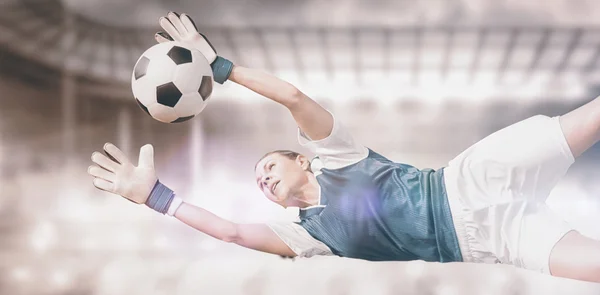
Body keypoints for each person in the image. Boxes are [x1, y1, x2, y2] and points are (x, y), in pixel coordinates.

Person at [87, 12, 600, 283]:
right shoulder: (307, 235)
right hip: (493, 239)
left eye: (268, 165)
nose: (262, 177)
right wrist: (156, 196)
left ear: (302, 157)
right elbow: (233, 232)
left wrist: (222, 69)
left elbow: (291, 97)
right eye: (259, 182)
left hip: (474, 177)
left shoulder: (340, 153)